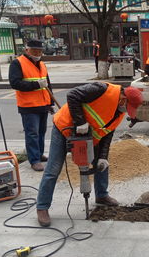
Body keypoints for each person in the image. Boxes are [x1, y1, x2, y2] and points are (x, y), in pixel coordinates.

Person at [35, 83, 143, 227]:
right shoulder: (101, 89)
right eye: (127, 106)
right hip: (64, 127)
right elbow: (72, 95)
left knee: (102, 165)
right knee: (53, 168)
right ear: (123, 98)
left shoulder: (119, 112)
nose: (126, 110)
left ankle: (102, 195)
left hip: (91, 135)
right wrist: (80, 121)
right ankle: (42, 207)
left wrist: (103, 156)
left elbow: (107, 134)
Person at [9, 39, 53, 172]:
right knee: (32, 133)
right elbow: (15, 83)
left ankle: (39, 154)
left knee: (41, 132)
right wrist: (36, 85)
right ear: (26, 50)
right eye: (34, 50)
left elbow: (47, 84)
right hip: (28, 106)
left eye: (39, 51)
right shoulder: (18, 63)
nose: (37, 53)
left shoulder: (42, 64)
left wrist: (50, 103)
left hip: (42, 104)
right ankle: (34, 160)